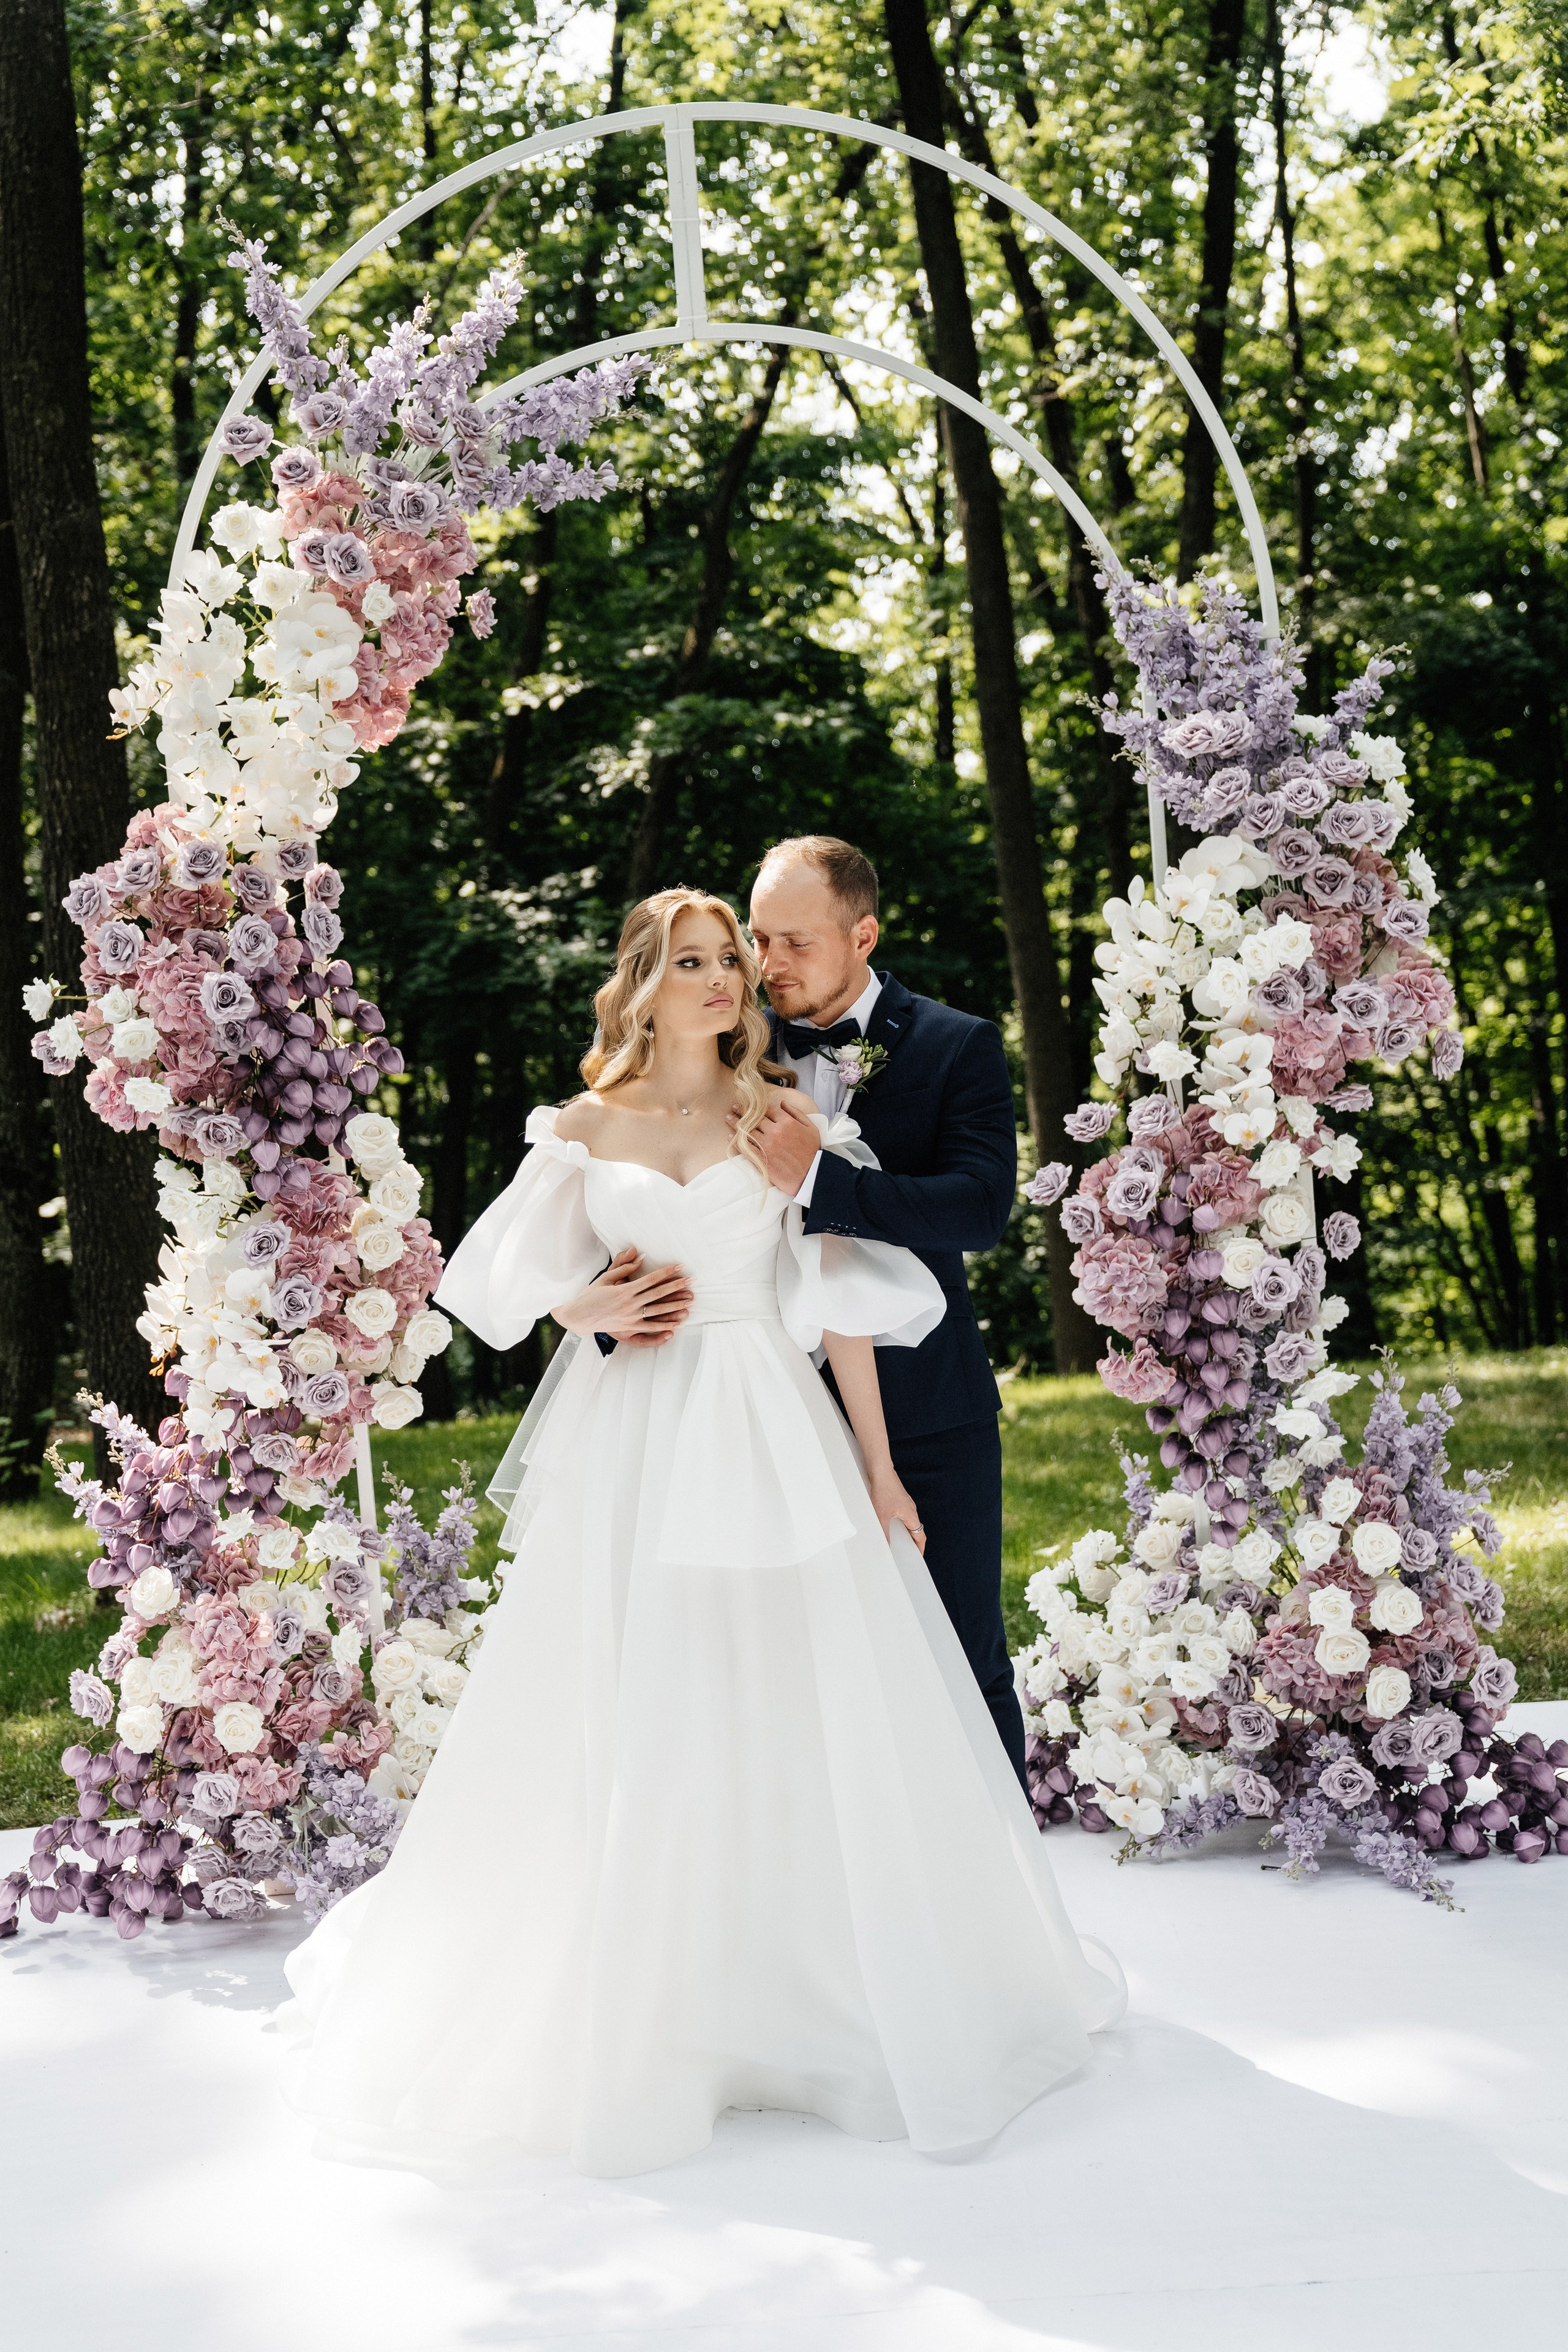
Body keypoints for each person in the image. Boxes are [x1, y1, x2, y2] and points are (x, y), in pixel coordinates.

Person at [281, 887, 1121, 2181]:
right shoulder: (581, 1127)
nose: (724, 979)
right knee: (637, 1684)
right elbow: (494, 1282)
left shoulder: (775, 1113)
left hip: (775, 1423)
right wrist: (585, 1304)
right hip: (639, 1433)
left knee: (797, 1690)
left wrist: (880, 1472)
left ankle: (812, 1983)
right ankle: (649, 1992)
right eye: (694, 961)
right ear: (643, 982)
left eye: (731, 958)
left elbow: (836, 1289)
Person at [746, 837, 1028, 1787]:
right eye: (759, 941)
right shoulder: (727, 1048)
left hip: (926, 1411)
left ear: (863, 934)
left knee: (959, 1652)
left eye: (794, 942)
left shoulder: (957, 1044)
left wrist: (822, 1182)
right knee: (796, 1676)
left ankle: (1004, 1897)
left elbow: (980, 1207)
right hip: (768, 1414)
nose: (768, 965)